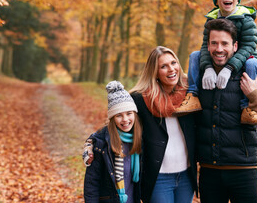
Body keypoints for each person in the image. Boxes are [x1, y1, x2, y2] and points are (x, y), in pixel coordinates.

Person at [83, 46, 198, 203]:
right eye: (163, 66)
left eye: (173, 63)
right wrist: (91, 143)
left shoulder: (190, 94)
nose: (171, 69)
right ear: (154, 72)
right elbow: (117, 122)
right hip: (158, 178)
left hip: (186, 175)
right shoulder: (141, 99)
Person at [196, 18, 257, 203]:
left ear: (235, 46)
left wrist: (254, 94)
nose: (219, 49)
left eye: (225, 43)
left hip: (244, 172)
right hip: (209, 172)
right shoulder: (199, 77)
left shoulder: (252, 77)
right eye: (214, 43)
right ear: (208, 46)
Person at [175, 0, 257, 125]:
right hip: (218, 58)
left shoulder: (246, 19)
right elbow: (205, 46)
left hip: (245, 56)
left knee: (253, 64)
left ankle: (247, 108)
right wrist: (208, 67)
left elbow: (249, 46)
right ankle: (193, 95)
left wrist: (229, 68)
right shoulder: (211, 20)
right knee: (195, 55)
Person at [84, 80, 143, 203]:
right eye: (119, 115)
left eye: (129, 113)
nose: (125, 119)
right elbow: (92, 182)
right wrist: (90, 143)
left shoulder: (140, 138)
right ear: (112, 118)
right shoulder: (101, 143)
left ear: (135, 114)